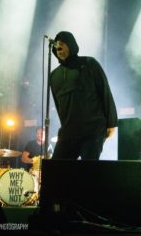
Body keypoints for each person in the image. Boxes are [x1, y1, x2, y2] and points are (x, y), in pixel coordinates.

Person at [50, 31, 118, 160]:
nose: (58, 44)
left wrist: (111, 123)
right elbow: (59, 106)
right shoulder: (54, 76)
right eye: (57, 43)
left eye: (63, 42)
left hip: (92, 130)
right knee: (56, 171)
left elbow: (105, 91)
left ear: (71, 45)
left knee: (88, 173)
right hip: (68, 132)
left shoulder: (89, 63)